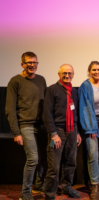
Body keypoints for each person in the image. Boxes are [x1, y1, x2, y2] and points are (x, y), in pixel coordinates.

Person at [5, 52, 47, 200]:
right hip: (26, 125)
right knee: (33, 159)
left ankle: (38, 186)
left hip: (42, 126)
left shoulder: (41, 80)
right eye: (29, 62)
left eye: (35, 62)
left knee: (44, 158)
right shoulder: (14, 81)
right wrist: (16, 133)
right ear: (22, 64)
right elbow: (10, 109)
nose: (32, 65)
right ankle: (25, 193)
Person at [43, 64, 82, 200]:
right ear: (59, 74)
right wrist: (53, 134)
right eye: (64, 73)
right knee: (54, 166)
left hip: (72, 130)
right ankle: (49, 194)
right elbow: (47, 114)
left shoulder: (75, 91)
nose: (67, 76)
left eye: (69, 73)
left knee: (71, 162)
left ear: (73, 74)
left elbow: (75, 112)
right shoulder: (52, 89)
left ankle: (67, 187)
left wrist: (77, 133)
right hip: (57, 131)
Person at [78, 61, 99, 199]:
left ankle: (93, 180)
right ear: (89, 71)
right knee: (93, 155)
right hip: (91, 122)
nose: (97, 72)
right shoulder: (85, 86)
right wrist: (91, 128)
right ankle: (94, 186)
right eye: (94, 70)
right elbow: (84, 108)